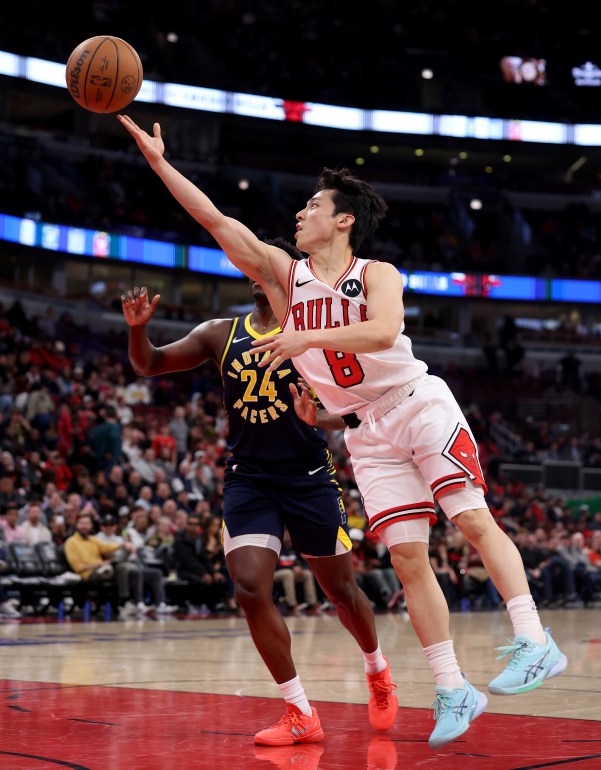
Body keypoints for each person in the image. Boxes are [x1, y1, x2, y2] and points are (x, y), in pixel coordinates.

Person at [117, 113, 567, 749]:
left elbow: (382, 334)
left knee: (468, 518)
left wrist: (307, 336)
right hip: (364, 430)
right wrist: (161, 163)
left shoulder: (376, 273)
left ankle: (534, 639)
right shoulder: (283, 277)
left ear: (344, 220)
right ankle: (452, 687)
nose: (300, 214)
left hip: (417, 402)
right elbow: (216, 220)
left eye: (312, 205)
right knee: (408, 559)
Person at [119, 246, 398, 746]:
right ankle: (299, 711)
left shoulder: (315, 333)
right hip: (249, 477)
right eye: (251, 268)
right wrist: (138, 329)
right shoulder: (218, 333)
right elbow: (150, 365)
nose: (257, 274)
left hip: (309, 474)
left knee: (341, 592)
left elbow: (356, 398)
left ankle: (377, 669)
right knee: (249, 588)